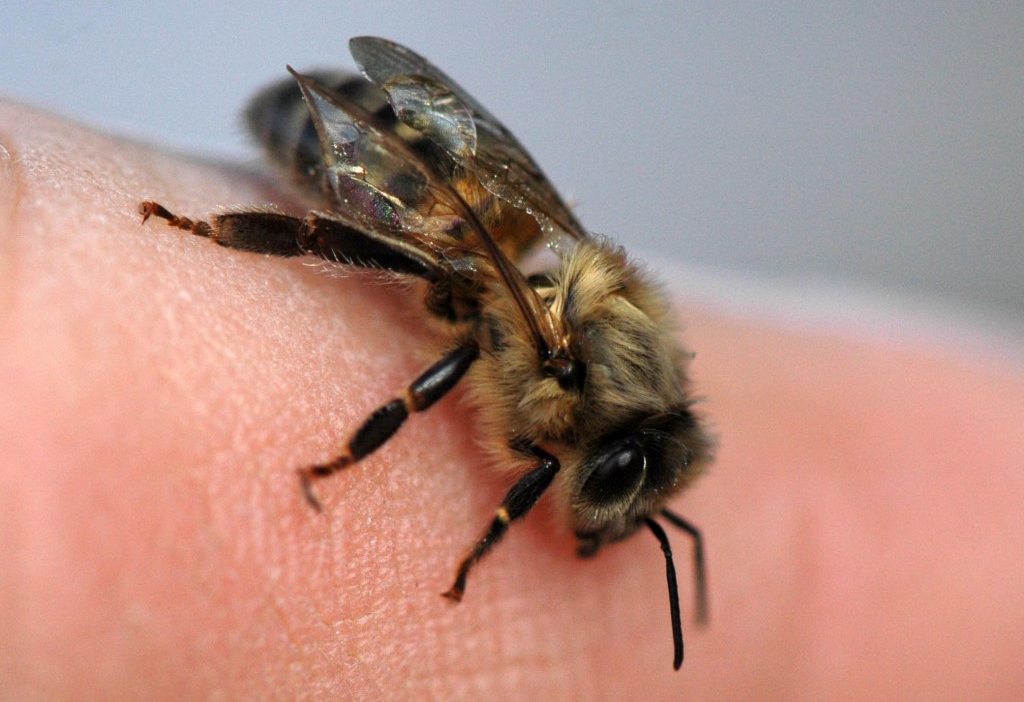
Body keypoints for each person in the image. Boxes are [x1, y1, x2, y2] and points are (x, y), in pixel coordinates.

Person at [2, 100, 1022, 699]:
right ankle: (207, 234)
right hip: (391, 179)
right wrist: (476, 535)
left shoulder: (595, 351)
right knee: (357, 259)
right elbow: (467, 412)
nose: (592, 503)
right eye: (610, 486)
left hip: (470, 198)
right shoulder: (555, 371)